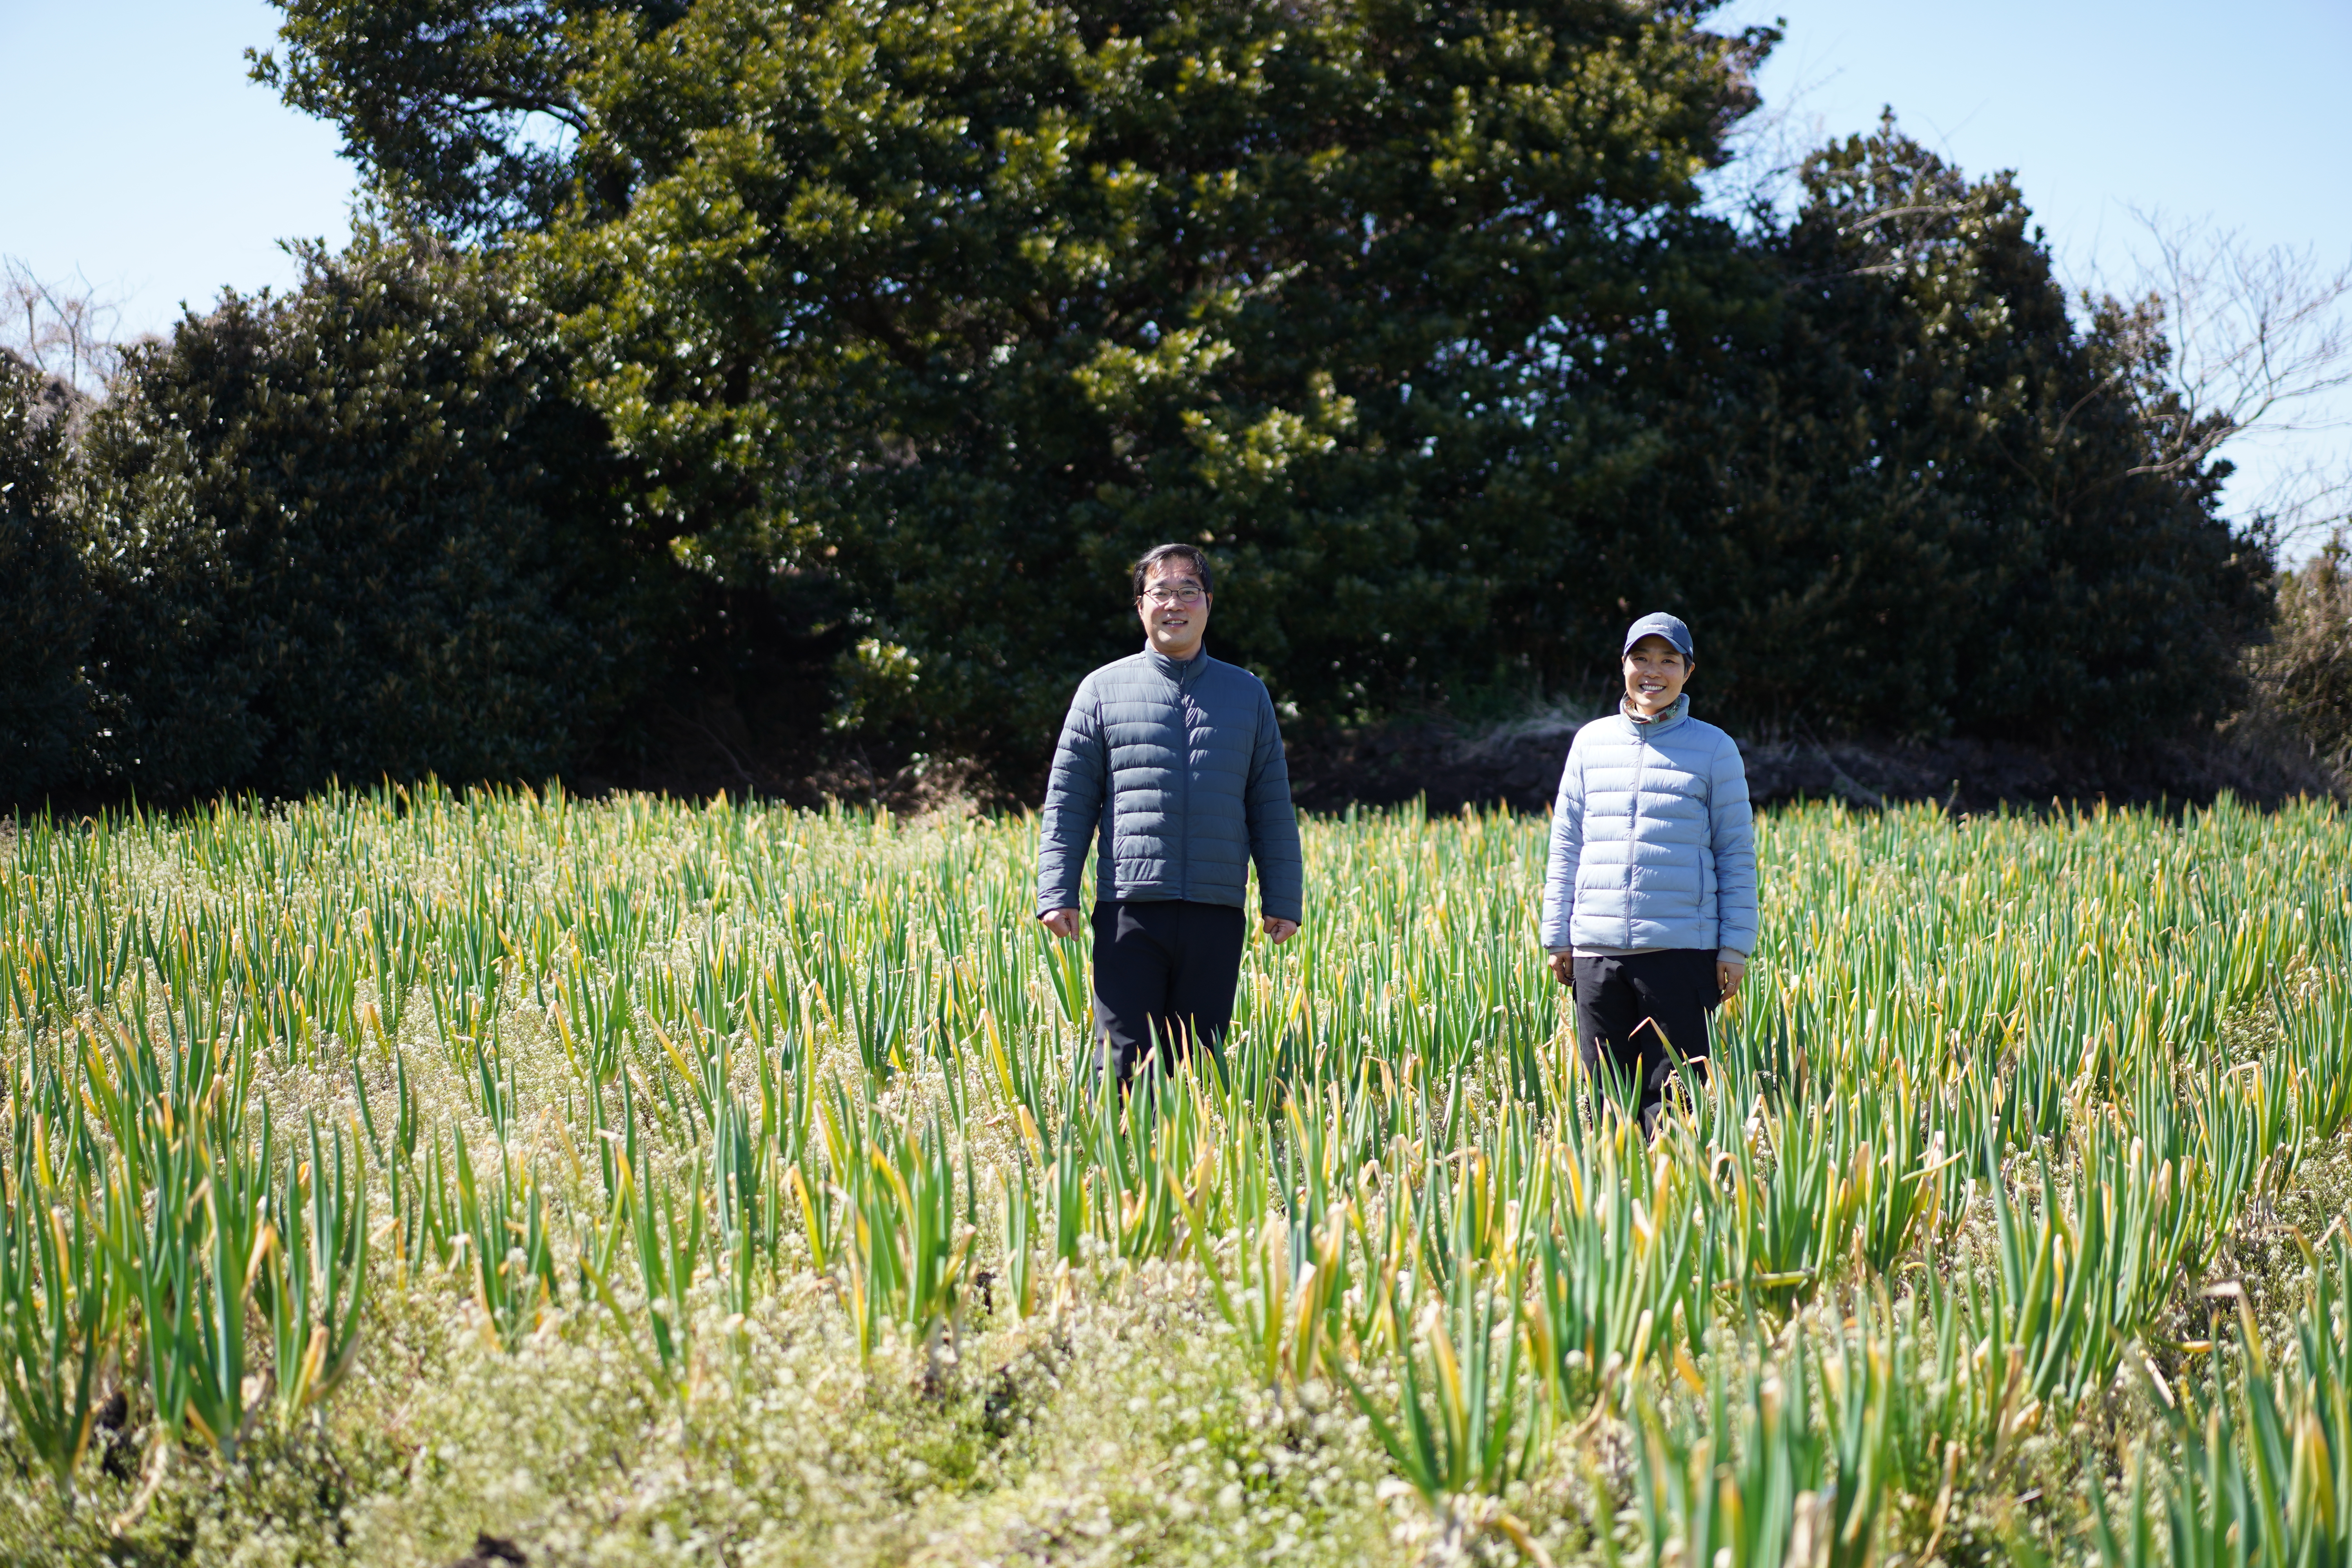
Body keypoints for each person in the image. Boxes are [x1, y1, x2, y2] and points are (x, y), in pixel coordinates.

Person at [1036, 544, 1305, 1083]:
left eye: (1188, 591)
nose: (1174, 604)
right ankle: (1116, 1165)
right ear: (1141, 605)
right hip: (1130, 908)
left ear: (1208, 603)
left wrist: (1283, 899)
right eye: (1161, 592)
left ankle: (1191, 1167)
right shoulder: (1102, 691)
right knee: (1122, 1060)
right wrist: (1055, 891)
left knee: (1199, 1063)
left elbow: (1270, 804)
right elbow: (1069, 800)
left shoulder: (1247, 694)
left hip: (1215, 910)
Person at [1540, 612, 1756, 1132]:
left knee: (1676, 1097)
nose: (1652, 671)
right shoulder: (1591, 744)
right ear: (1624, 666)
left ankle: (1677, 1205)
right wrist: (1557, 936)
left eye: (1667, 660)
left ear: (1689, 671)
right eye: (1641, 658)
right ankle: (1606, 1204)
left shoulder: (1714, 749)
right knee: (1604, 1098)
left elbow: (1736, 853)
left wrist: (1735, 947)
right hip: (1597, 951)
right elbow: (1566, 844)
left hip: (1682, 952)